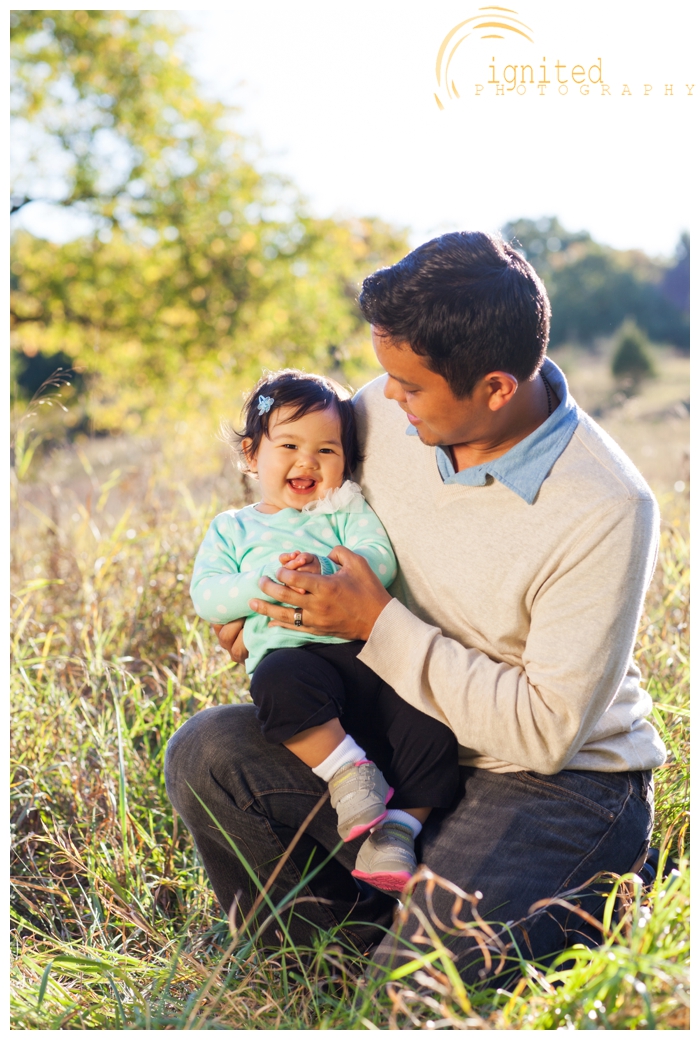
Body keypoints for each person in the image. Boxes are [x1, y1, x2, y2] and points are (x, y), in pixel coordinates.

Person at [166, 231, 666, 982]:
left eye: (409, 384)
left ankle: (574, 898)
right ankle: (341, 953)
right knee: (209, 752)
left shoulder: (606, 507)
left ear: (495, 387)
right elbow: (299, 495)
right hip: (403, 730)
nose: (384, 398)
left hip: (555, 782)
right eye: (383, 374)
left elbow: (545, 735)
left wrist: (372, 623)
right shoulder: (386, 408)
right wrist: (262, 601)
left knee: (407, 1006)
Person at [189, 369, 459, 892]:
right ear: (251, 454)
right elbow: (208, 594)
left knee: (431, 724)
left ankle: (399, 832)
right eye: (287, 444)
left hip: (368, 657)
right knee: (278, 683)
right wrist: (270, 585)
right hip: (296, 663)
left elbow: (378, 559)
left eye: (327, 451)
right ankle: (347, 773)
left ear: (346, 461)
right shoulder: (234, 528)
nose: (306, 461)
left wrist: (332, 574)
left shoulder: (344, 508)